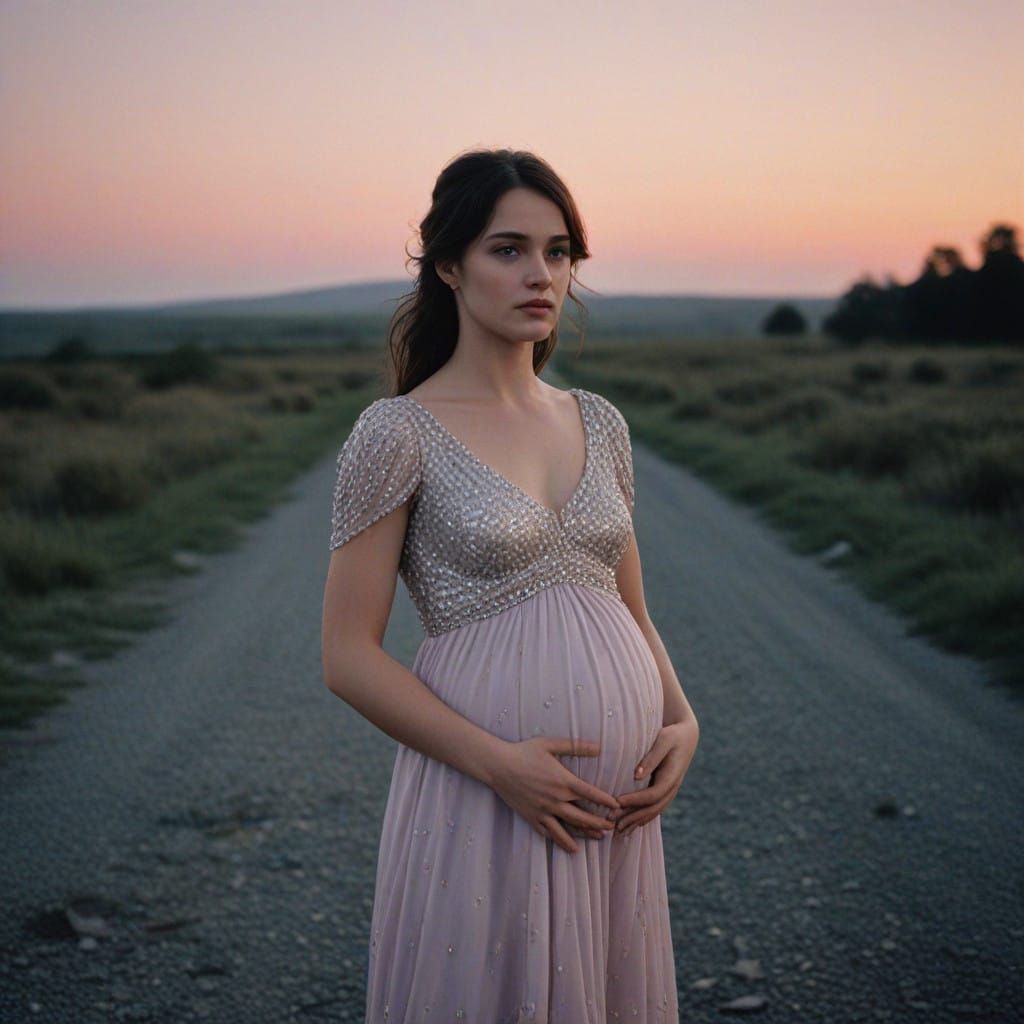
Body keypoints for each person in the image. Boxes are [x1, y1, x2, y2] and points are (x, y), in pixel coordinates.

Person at [321, 147, 700, 1022]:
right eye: (509, 249)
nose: (542, 274)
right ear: (448, 265)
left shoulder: (599, 423)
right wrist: (501, 767)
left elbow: (629, 607)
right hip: (488, 794)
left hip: (614, 813)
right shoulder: (397, 432)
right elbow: (346, 658)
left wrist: (683, 719)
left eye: (560, 251)